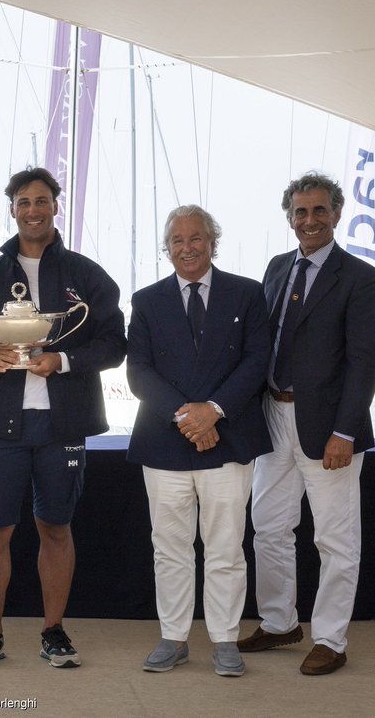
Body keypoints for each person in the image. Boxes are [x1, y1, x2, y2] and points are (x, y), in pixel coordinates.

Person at [0, 166, 126, 670]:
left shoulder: (87, 275)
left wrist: (63, 360)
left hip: (63, 424)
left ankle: (53, 629)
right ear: (12, 210)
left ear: (54, 207)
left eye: (41, 201)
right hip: (2, 424)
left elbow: (114, 344)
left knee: (55, 527)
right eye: (24, 202)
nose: (33, 210)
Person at [239, 172, 375, 675]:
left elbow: (365, 361)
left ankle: (331, 639)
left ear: (337, 214)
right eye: (300, 212)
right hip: (273, 416)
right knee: (268, 527)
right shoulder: (277, 267)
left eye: (319, 210)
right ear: (290, 218)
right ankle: (279, 622)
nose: (309, 220)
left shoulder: (359, 277)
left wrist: (345, 431)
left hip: (328, 425)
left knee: (335, 539)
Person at [126, 205, 271, 677]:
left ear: (212, 242)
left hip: (230, 439)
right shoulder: (146, 301)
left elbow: (257, 361)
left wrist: (214, 412)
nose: (186, 248)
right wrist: (189, 417)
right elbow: (138, 371)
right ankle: (174, 637)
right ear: (166, 248)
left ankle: (225, 640)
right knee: (169, 547)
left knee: (226, 546)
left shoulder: (247, 293)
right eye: (177, 240)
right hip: (164, 442)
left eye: (196, 238)